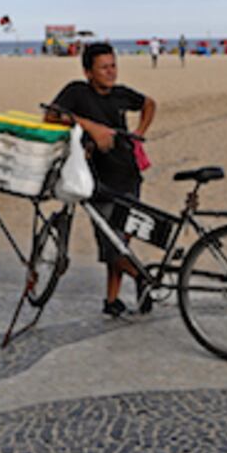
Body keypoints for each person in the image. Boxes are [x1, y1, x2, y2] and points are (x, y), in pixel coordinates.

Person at [48, 42, 157, 317]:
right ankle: (140, 279)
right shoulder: (77, 93)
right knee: (112, 245)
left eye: (113, 66)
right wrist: (90, 127)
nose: (111, 72)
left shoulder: (121, 94)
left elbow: (149, 104)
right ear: (88, 72)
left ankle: (113, 299)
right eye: (104, 67)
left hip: (129, 177)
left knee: (119, 244)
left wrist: (139, 133)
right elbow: (50, 117)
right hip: (96, 182)